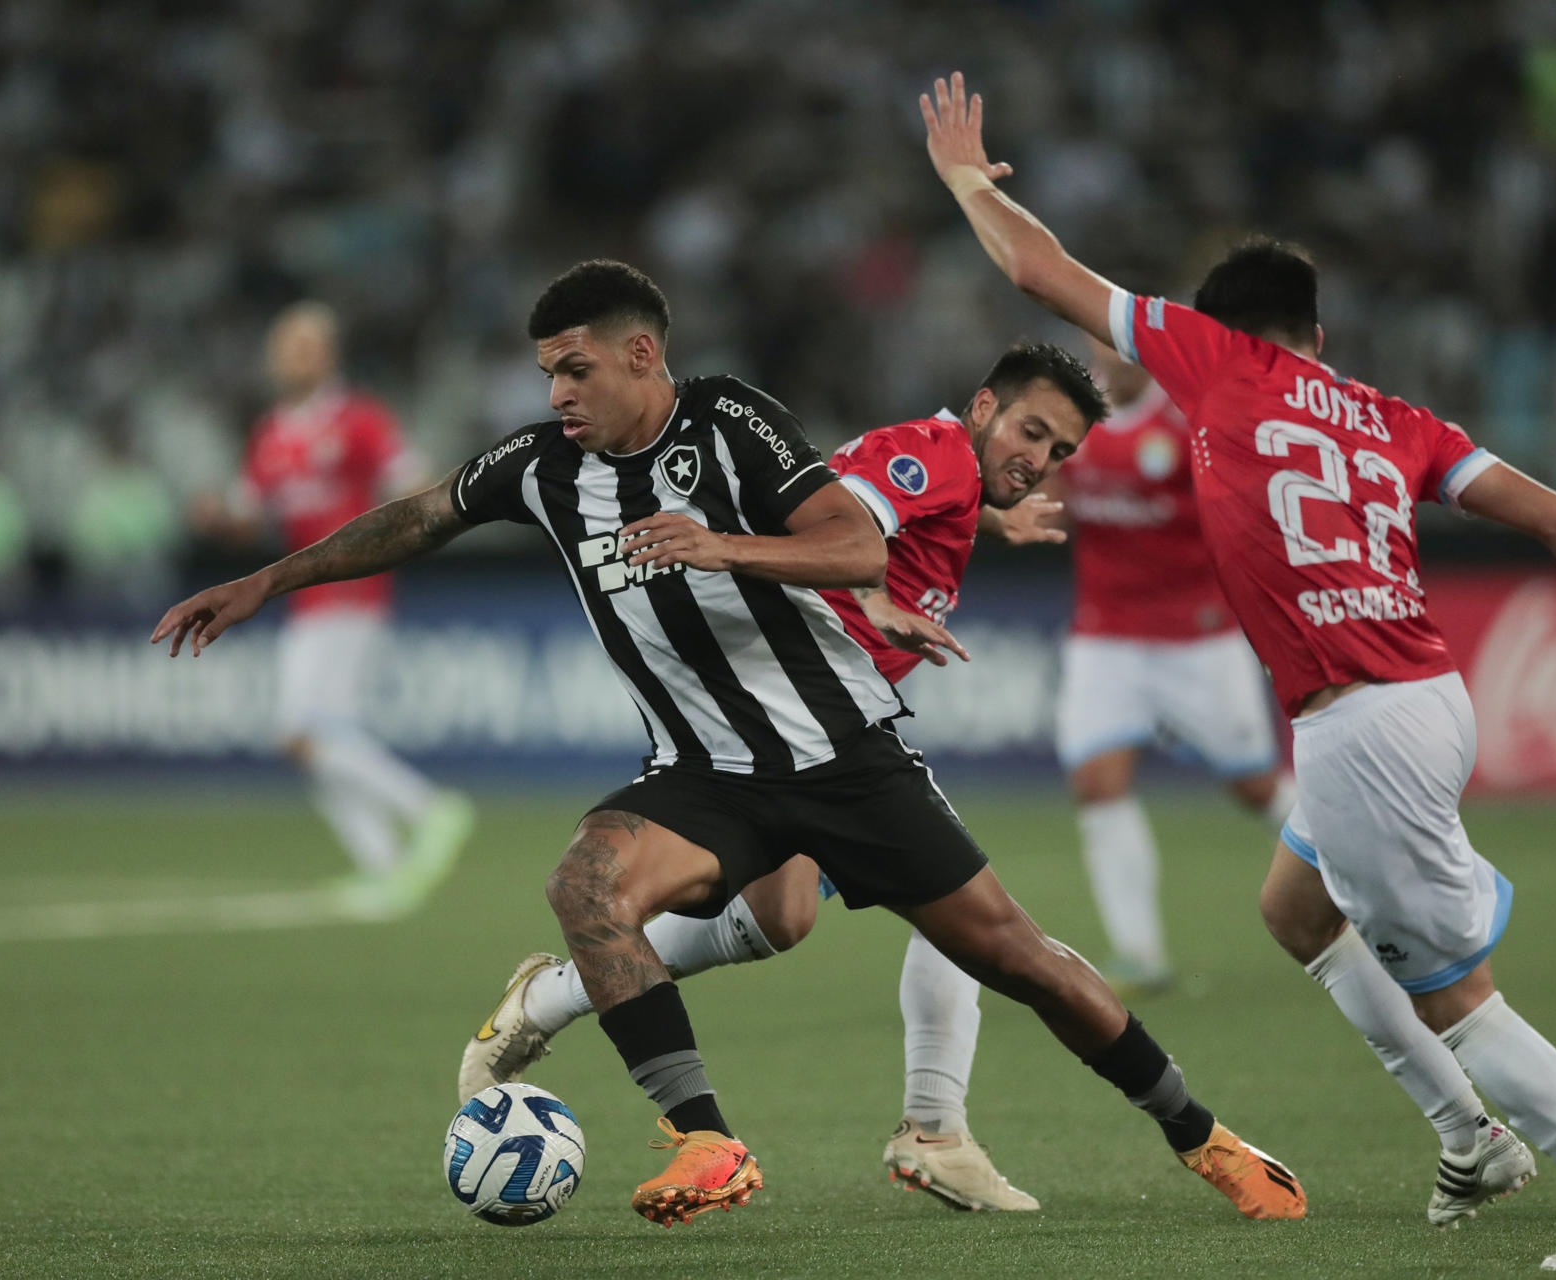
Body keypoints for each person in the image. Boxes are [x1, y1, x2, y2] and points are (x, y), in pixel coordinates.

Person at [154, 260, 1307, 1228]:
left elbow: (854, 545)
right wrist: (270, 576)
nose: (555, 390)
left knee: (1015, 955)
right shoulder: (540, 467)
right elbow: (416, 516)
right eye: (547, 369)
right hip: (705, 770)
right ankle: (708, 1139)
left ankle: (1203, 1137)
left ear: (643, 356)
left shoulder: (729, 420)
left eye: (575, 367)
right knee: (586, 882)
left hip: (842, 750)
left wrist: (719, 548)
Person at [921, 72, 1556, 1269]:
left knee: (1463, 998)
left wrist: (968, 178)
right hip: (1435, 695)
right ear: (1320, 336)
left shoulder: (1217, 365)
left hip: (1361, 726)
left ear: (1223, 329)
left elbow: (1039, 272)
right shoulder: (1398, 417)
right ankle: (1466, 1134)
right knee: (1294, 905)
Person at [457, 343, 1090, 1213]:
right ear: (983, 407)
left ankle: (550, 996)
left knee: (783, 918)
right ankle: (935, 1129)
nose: (1041, 459)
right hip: (792, 715)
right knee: (964, 914)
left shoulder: (957, 475)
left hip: (831, 734)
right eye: (1033, 431)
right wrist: (870, 598)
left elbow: (856, 500)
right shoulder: (933, 452)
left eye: (1060, 452)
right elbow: (843, 516)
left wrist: (987, 519)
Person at [193, 302, 472, 908]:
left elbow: (413, 479)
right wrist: (219, 519)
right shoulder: (271, 433)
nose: (290, 357)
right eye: (284, 346)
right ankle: (387, 869)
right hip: (304, 599)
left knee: (303, 733)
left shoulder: (358, 419)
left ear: (327, 354)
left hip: (351, 592)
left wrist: (393, 526)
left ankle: (431, 809)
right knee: (320, 738)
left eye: (302, 346)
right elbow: (251, 517)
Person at [1053, 333, 1294, 995]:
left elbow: (1244, 522)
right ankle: (1139, 953)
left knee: (1255, 789)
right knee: (1097, 783)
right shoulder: (1074, 419)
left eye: (1126, 346)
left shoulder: (1190, 423)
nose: (1116, 360)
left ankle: (1367, 883)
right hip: (1104, 637)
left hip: (1198, 638)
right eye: (1103, 348)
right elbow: (1048, 494)